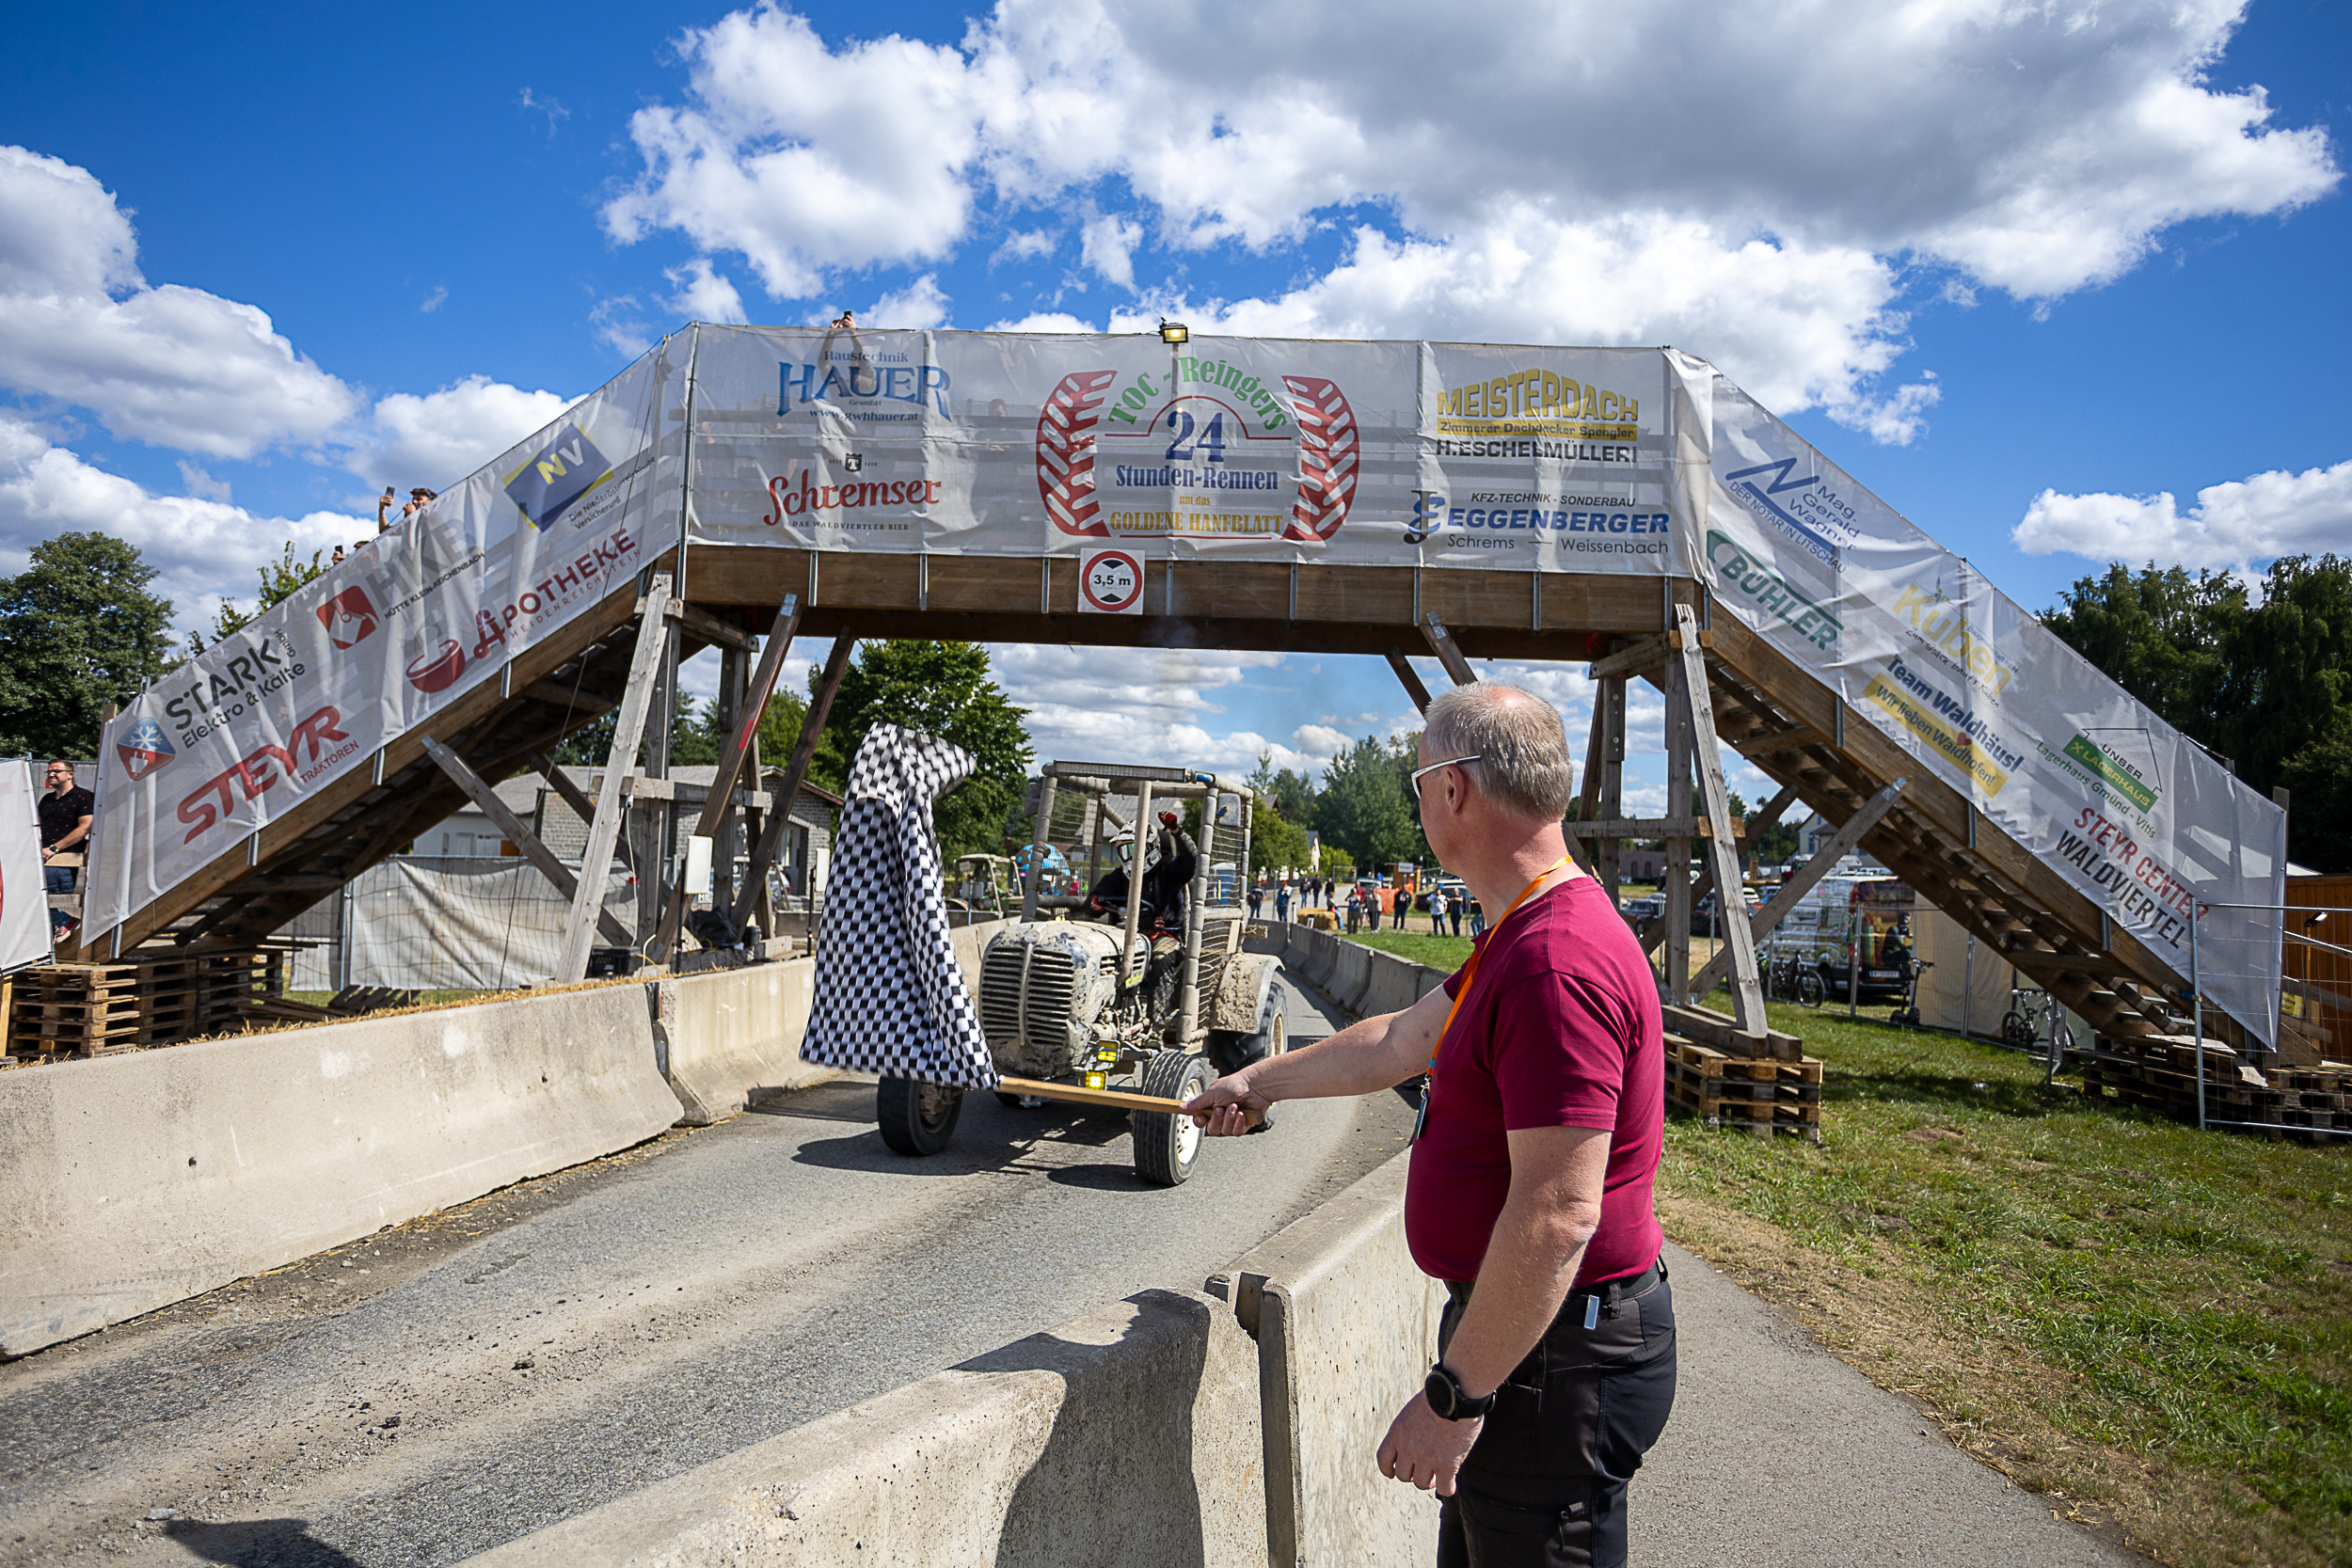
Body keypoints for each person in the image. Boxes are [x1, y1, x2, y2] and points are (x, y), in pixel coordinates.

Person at [1185, 683, 1673, 1568]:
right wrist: (1259, 1082)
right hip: (1532, 1341)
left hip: (1552, 1359)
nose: (1418, 802)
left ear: (1455, 788)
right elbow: (1401, 1041)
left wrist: (1456, 1397)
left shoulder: (1553, 962)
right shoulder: (1523, 928)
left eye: (1418, 783)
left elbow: (1558, 1213)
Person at [39, 760, 93, 940]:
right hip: (43, 857)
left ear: (70, 774)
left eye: (56, 771)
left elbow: (85, 827)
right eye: (49, 771)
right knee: (35, 895)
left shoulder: (83, 796)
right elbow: (38, 826)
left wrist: (54, 849)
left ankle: (65, 921)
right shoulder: (47, 799)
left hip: (64, 859)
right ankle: (61, 923)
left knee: (52, 896)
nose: (51, 774)